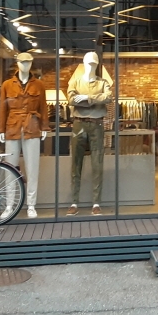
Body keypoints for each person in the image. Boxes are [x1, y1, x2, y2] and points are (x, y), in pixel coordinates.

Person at [0, 52, 48, 218]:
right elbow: (3, 109)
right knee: (10, 168)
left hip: (32, 127)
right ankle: (9, 205)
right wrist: (1, 130)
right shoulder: (7, 85)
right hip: (12, 128)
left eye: (28, 62)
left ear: (31, 64)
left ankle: (31, 205)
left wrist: (44, 127)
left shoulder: (39, 85)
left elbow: (43, 107)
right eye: (22, 62)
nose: (25, 65)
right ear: (17, 63)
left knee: (32, 168)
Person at [67, 51, 111, 215]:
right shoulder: (75, 81)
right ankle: (74, 202)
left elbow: (108, 98)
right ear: (84, 64)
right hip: (79, 124)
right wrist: (95, 101)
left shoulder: (103, 82)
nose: (91, 66)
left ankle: (96, 203)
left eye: (94, 64)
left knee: (97, 163)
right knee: (76, 163)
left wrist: (86, 98)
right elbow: (71, 99)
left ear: (97, 65)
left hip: (96, 124)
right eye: (88, 63)